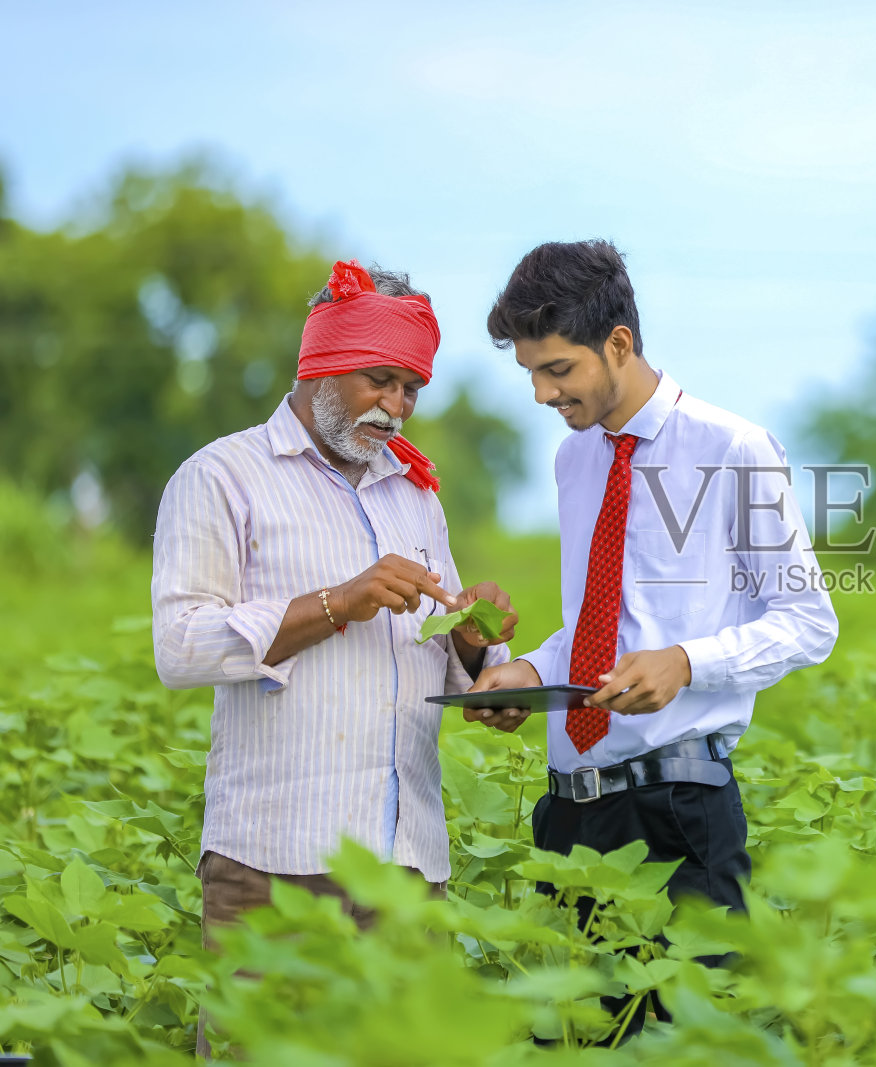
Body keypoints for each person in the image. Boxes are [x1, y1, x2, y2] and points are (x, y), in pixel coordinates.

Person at [466, 239, 839, 1034]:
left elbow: (808, 621)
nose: (540, 392)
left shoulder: (732, 449)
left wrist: (688, 663)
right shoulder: (575, 461)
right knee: (575, 1044)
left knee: (684, 1046)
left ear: (620, 343)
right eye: (531, 372)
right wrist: (533, 667)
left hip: (678, 816)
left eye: (558, 369)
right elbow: (606, 619)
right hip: (570, 818)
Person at [151, 260, 517, 1056]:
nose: (396, 406)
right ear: (319, 364)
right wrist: (336, 603)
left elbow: (443, 656)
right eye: (377, 380)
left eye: (411, 386)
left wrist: (474, 639)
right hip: (276, 869)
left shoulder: (414, 494)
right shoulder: (222, 477)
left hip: (407, 868)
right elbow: (181, 645)